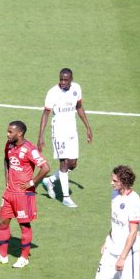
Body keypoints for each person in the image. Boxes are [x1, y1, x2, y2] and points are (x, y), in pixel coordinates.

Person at [0, 121, 50, 269]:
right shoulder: (8, 145)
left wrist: (32, 183)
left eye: (10, 132)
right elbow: (6, 161)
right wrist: (7, 180)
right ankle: (2, 256)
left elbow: (45, 168)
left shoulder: (30, 149)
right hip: (9, 193)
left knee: (24, 225)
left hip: (24, 194)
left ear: (19, 133)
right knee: (2, 222)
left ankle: (24, 257)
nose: (7, 134)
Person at [94, 165, 140, 279]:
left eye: (114, 180)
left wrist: (122, 257)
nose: (111, 183)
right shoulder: (114, 195)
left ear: (124, 181)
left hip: (127, 253)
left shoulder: (134, 201)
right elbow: (115, 223)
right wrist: (107, 239)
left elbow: (133, 231)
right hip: (111, 248)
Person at [37, 67, 93, 208]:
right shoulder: (52, 93)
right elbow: (45, 114)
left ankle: (50, 181)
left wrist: (88, 127)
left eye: (65, 80)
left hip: (72, 131)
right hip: (59, 131)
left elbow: (79, 107)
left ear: (71, 80)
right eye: (61, 79)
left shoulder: (76, 89)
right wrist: (41, 136)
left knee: (72, 164)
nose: (62, 82)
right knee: (63, 162)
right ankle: (66, 197)